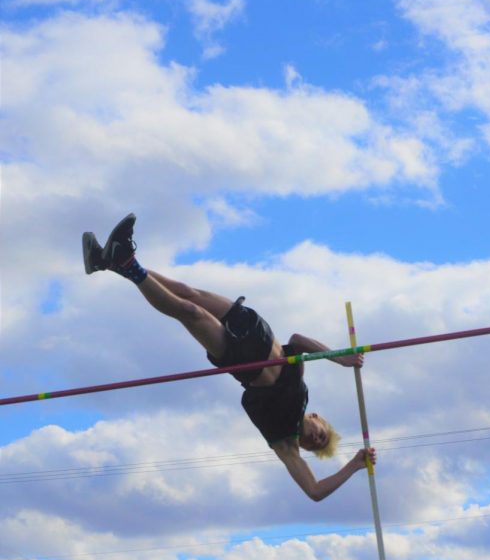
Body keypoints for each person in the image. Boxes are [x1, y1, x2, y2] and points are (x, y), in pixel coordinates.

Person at [82, 214, 376, 501]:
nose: (314, 440)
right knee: (188, 292)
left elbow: (314, 492)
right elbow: (298, 341)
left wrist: (354, 464)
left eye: (313, 445)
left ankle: (126, 263)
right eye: (321, 435)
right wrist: (340, 358)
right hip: (252, 326)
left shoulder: (285, 443)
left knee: (189, 312)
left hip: (237, 353)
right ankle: (107, 261)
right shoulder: (301, 387)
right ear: (317, 419)